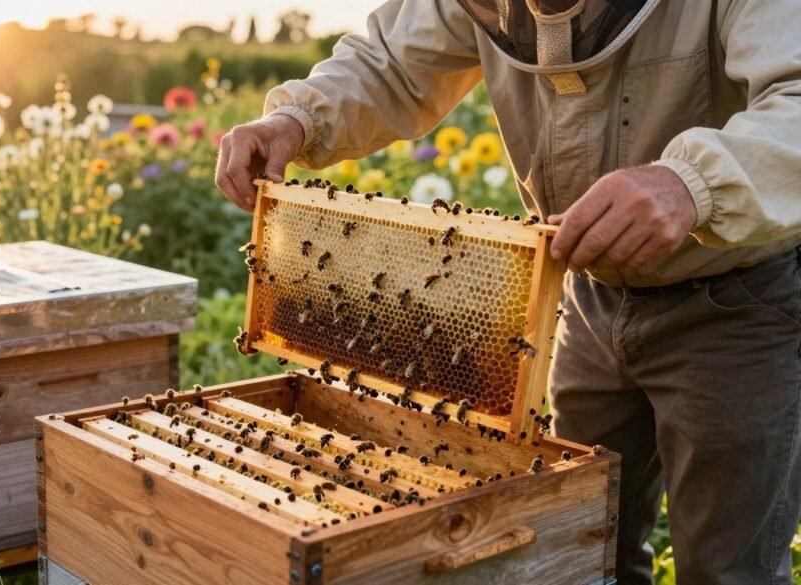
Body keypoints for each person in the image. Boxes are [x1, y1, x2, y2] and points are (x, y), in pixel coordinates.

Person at [214, 1, 801, 583]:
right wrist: (295, 120)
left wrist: (690, 183)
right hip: (584, 296)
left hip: (736, 302)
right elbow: (390, 63)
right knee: (581, 547)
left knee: (729, 570)